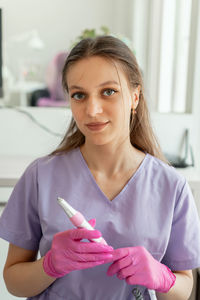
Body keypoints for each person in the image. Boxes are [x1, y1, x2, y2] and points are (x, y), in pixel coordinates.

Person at [0, 36, 200, 300]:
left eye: (109, 91)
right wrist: (49, 266)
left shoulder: (171, 186)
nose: (92, 110)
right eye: (79, 95)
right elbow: (14, 281)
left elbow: (185, 287)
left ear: (135, 96)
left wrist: (162, 278)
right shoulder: (40, 177)